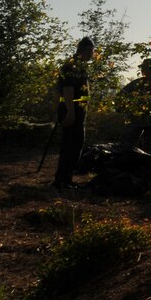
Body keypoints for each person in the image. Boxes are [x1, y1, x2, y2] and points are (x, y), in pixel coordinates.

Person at [53, 36, 93, 190]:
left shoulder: (78, 65)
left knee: (74, 145)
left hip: (76, 109)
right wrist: (70, 112)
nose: (92, 55)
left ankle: (66, 178)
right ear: (85, 50)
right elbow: (68, 90)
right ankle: (62, 180)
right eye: (91, 51)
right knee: (71, 145)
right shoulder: (72, 66)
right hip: (72, 109)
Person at [117, 58, 151, 154]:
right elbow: (120, 97)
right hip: (140, 120)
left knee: (149, 148)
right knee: (129, 147)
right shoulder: (138, 83)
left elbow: (120, 97)